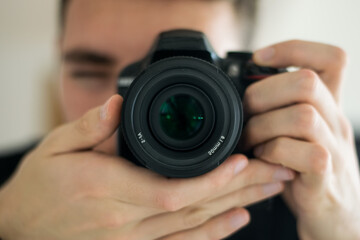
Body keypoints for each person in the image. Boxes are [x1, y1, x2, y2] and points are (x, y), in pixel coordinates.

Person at [0, 0, 359, 239]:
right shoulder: (10, 194)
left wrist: (344, 229)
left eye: (185, 77)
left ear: (245, 77)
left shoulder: (327, 177)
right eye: (90, 71)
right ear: (58, 57)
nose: (125, 107)